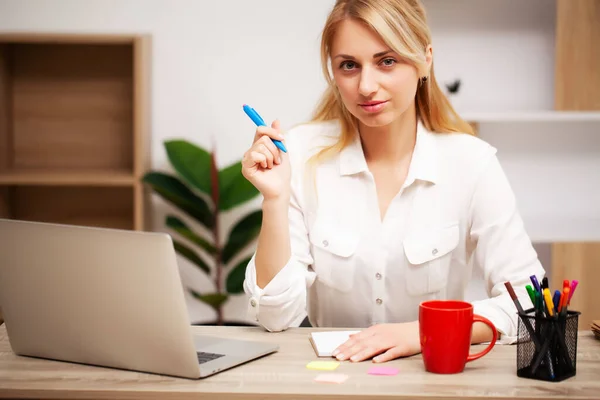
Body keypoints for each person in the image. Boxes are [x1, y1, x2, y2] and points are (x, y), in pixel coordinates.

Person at [241, 0, 545, 363]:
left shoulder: (472, 163)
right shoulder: (301, 153)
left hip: (435, 378)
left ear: (424, 60)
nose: (366, 86)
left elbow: (534, 307)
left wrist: (422, 332)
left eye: (387, 61)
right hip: (333, 378)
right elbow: (276, 317)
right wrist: (273, 201)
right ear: (333, 71)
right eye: (349, 66)